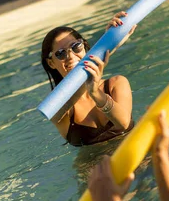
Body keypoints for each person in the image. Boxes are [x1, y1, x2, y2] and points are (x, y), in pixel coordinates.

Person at [40, 12, 137, 146]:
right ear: (51, 63)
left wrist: (95, 93)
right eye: (61, 53)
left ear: (84, 47)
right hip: (93, 166)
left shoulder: (116, 84)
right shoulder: (56, 106)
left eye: (75, 46)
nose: (70, 56)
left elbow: (123, 123)